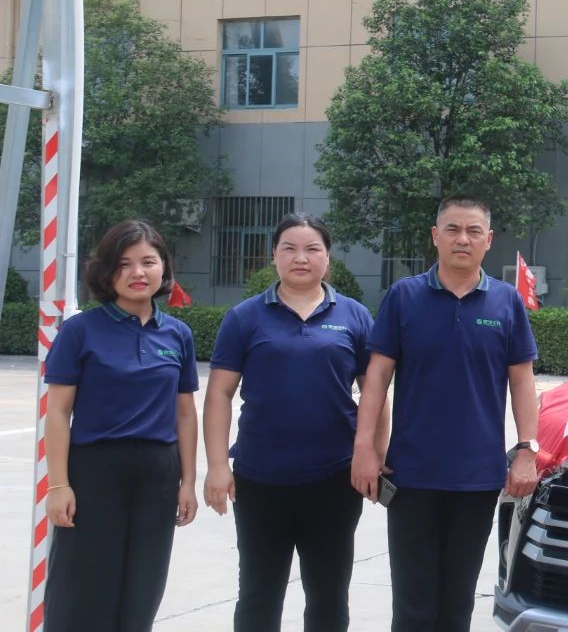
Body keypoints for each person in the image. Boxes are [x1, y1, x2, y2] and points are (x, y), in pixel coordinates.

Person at [351, 195, 540, 632]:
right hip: (411, 475)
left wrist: (527, 449)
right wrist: (365, 449)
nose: (462, 239)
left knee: (457, 603)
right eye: (452, 229)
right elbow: (376, 378)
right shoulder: (404, 297)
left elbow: (522, 381)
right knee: (413, 606)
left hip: (477, 478)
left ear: (488, 240)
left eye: (473, 231)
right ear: (435, 236)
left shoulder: (505, 302)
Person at [203, 213, 382, 632]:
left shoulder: (354, 315)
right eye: (290, 248)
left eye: (312, 249)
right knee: (259, 592)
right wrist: (216, 465)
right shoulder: (245, 317)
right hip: (260, 479)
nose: (301, 258)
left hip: (334, 479)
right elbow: (219, 394)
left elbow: (375, 394)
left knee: (328, 594)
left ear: (328, 257)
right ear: (274, 255)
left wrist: (373, 454)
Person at [43, 220, 199, 632]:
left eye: (148, 261)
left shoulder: (178, 334)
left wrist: (187, 481)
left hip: (157, 474)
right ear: (106, 271)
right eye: (124, 263)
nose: (137, 272)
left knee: (143, 589)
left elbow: (185, 413)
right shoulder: (80, 330)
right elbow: (58, 413)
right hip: (95, 472)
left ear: (164, 267)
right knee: (83, 588)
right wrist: (58, 485)